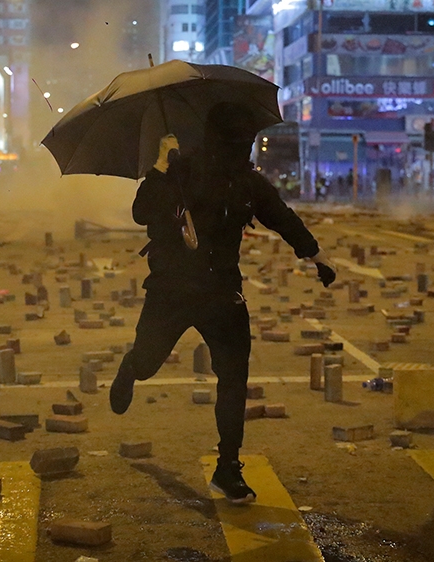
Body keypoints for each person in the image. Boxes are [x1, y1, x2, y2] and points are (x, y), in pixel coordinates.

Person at [109, 102, 336, 505]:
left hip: (222, 292)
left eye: (245, 138)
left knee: (233, 378)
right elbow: (141, 212)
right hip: (172, 290)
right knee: (147, 362)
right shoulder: (180, 168)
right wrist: (160, 167)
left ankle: (228, 467)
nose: (241, 144)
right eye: (235, 137)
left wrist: (317, 256)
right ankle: (131, 367)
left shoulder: (247, 182)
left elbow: (281, 217)